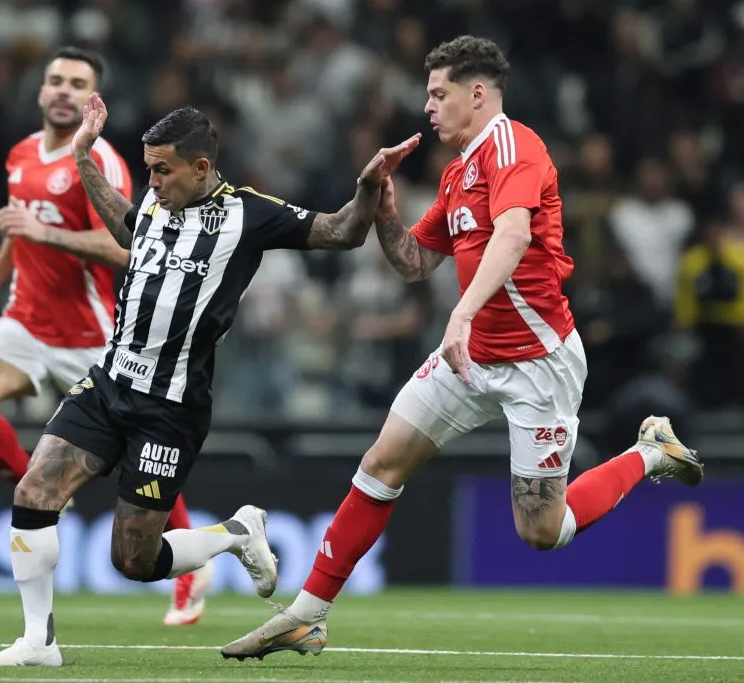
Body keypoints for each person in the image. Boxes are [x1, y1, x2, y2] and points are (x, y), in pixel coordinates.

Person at [221, 34, 705, 660]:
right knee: (381, 463)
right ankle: (307, 617)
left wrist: (460, 315)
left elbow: (512, 234)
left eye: (438, 93)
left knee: (542, 532)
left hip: (538, 362)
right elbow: (414, 262)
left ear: (477, 94)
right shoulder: (456, 174)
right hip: (472, 355)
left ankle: (648, 452)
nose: (427, 106)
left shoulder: (515, 147)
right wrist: (381, 204)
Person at [0, 93, 420, 667]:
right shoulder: (157, 206)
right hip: (108, 385)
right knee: (34, 491)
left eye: (161, 169)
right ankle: (39, 642)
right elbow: (126, 227)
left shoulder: (250, 214)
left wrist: (365, 187)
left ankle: (236, 532)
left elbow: (341, 232)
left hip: (171, 407)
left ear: (201, 167)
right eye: (147, 169)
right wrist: (84, 155)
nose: (151, 181)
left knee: (133, 561)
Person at [0, 46, 207, 627]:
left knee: (142, 454)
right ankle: (33, 487)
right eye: (55, 80)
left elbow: (124, 246)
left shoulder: (104, 162)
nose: (63, 90)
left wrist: (42, 230)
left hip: (91, 333)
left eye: (76, 83)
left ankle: (191, 570)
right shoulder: (18, 155)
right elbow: (19, 233)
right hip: (24, 321)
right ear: (40, 92)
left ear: (93, 99)